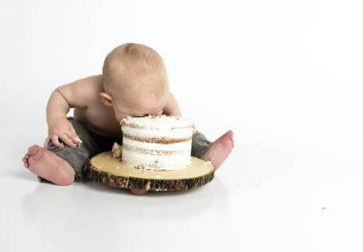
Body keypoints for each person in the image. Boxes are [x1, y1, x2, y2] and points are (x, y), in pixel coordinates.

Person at [22, 43, 234, 189]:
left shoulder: (153, 96)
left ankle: (205, 152)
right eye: (141, 115)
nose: (151, 118)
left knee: (188, 130)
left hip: (140, 143)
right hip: (91, 135)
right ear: (107, 100)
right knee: (71, 139)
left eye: (157, 110)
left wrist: (172, 124)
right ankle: (61, 166)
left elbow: (172, 109)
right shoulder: (89, 90)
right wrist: (56, 121)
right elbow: (60, 95)